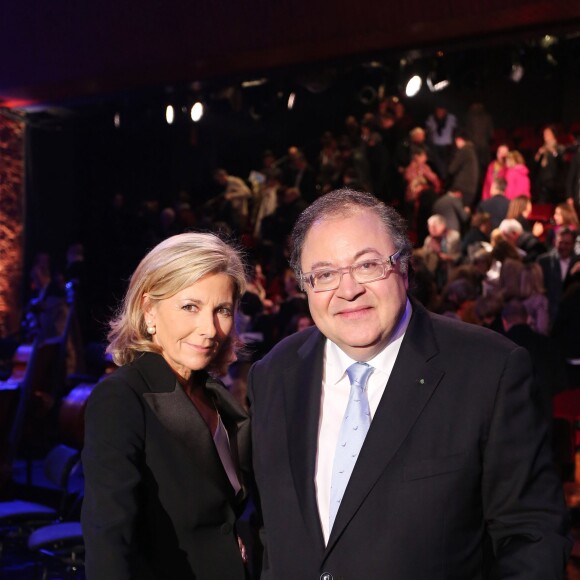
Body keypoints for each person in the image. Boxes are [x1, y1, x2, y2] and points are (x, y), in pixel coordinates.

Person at [247, 188, 570, 579]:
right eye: (325, 274)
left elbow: (531, 537)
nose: (348, 291)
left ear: (404, 265)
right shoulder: (273, 375)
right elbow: (272, 533)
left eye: (367, 265)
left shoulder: (490, 370)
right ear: (304, 285)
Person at [81, 232, 251, 579]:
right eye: (190, 306)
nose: (209, 329)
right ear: (149, 310)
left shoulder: (218, 396)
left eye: (222, 310)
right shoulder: (122, 398)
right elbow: (109, 541)